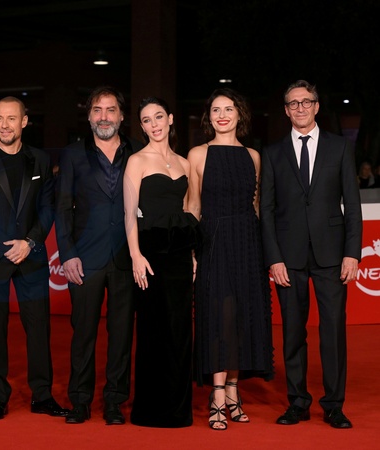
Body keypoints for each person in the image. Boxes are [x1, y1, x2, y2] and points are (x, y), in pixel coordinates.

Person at [261, 80, 362, 429]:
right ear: (286, 111)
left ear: (317, 106)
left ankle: (334, 405)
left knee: (333, 332)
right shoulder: (272, 153)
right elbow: (266, 211)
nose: (300, 108)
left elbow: (352, 204)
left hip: (332, 255)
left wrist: (352, 253)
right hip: (288, 259)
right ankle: (298, 402)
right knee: (292, 332)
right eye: (293, 103)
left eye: (306, 102)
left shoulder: (339, 147)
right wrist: (274, 258)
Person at [0, 96, 67, 420]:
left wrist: (29, 242)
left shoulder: (40, 160)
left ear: (24, 121)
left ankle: (42, 396)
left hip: (31, 258)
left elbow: (47, 207)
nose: (4, 125)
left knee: (38, 330)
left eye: (11, 119)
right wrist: (4, 246)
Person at [187, 88, 274, 430]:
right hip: (213, 241)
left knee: (241, 317)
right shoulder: (198, 154)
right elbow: (193, 206)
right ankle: (218, 395)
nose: (222, 115)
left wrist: (263, 252)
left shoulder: (253, 156)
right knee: (219, 316)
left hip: (247, 243)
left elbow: (256, 206)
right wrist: (192, 252)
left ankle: (234, 391)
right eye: (215, 110)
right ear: (208, 117)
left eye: (228, 109)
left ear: (240, 114)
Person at [55, 86, 143, 425]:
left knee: (121, 334)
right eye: (97, 110)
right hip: (85, 257)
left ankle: (114, 402)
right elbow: (63, 207)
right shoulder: (72, 154)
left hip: (125, 256)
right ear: (89, 116)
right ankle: (80, 400)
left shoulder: (138, 152)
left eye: (110, 110)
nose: (104, 117)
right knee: (83, 333)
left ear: (121, 116)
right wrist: (68, 254)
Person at [124, 97, 197, 428]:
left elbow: (188, 211)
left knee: (180, 331)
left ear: (170, 119)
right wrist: (135, 255)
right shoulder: (137, 161)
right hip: (149, 255)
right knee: (153, 330)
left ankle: (178, 409)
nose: (153, 124)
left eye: (158, 117)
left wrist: (192, 254)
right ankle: (150, 410)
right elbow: (129, 213)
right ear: (142, 126)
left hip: (179, 256)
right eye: (146, 120)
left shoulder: (185, 163)